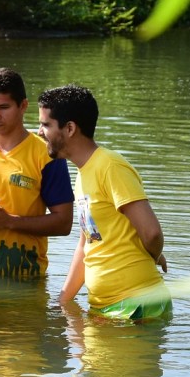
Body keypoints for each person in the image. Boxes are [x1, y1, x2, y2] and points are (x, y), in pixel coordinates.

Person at [37, 84, 171, 320]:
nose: (39, 131)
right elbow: (87, 244)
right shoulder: (83, 173)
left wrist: (153, 253)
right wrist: (63, 303)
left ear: (69, 128)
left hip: (135, 308)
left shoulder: (110, 166)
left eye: (45, 124)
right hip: (107, 309)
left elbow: (151, 233)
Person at [0, 68, 73, 278]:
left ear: (23, 106)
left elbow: (64, 223)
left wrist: (9, 221)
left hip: (27, 280)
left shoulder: (47, 154)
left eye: (3, 107)